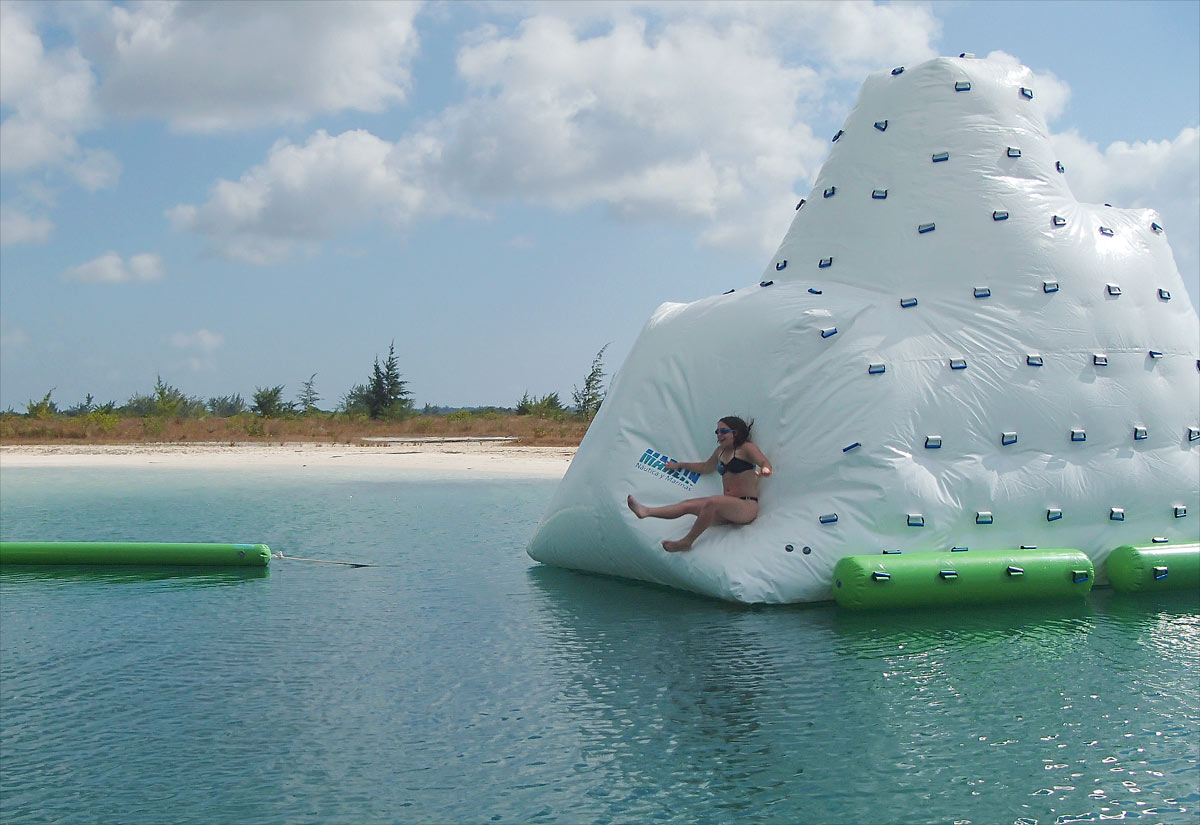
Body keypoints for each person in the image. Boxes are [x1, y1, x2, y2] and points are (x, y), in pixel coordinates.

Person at [627, 416, 772, 552]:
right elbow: (705, 467)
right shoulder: (720, 452)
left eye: (723, 431)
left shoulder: (746, 448)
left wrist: (765, 470)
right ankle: (646, 512)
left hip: (745, 507)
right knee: (687, 505)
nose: (719, 435)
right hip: (727, 509)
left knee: (712, 502)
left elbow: (764, 462)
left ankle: (686, 542)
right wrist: (680, 465)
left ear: (736, 432)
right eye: (717, 432)